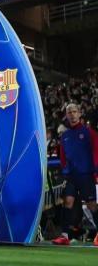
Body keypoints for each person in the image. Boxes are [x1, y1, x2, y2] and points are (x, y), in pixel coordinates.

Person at [52, 103, 98, 246]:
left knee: (91, 205)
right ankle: (64, 235)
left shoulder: (89, 132)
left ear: (79, 113)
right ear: (66, 115)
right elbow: (63, 156)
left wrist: (96, 172)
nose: (72, 114)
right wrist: (64, 170)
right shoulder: (64, 136)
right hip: (71, 176)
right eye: (69, 112)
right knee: (68, 202)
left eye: (74, 111)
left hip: (86, 175)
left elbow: (96, 152)